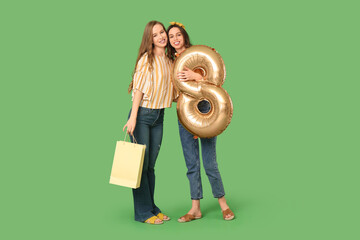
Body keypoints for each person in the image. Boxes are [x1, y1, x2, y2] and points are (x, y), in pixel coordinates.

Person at [167, 22, 235, 222]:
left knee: (210, 162)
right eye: (171, 37)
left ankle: (224, 204)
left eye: (178, 35)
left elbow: (216, 81)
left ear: (184, 36)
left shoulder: (199, 55)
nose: (175, 39)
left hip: (206, 110)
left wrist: (195, 76)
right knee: (191, 163)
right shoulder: (170, 62)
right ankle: (195, 208)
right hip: (184, 113)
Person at [123, 20, 174, 225]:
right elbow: (138, 89)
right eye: (155, 35)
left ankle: (152, 207)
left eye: (162, 32)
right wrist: (133, 117)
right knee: (139, 167)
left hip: (159, 116)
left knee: (150, 167)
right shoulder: (147, 59)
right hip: (142, 115)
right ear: (149, 39)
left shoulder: (170, 61)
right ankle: (142, 212)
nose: (161, 36)